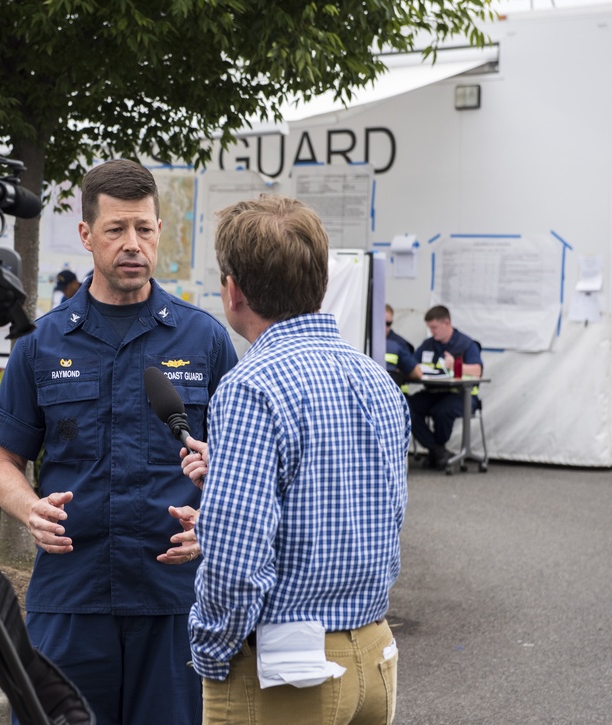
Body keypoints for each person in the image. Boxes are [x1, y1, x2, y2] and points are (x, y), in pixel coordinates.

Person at [0, 158, 238, 724]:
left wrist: (216, 517)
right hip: (72, 595)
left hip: (173, 597)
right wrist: (30, 509)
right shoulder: (41, 344)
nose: (132, 244)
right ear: (86, 236)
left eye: (144, 229)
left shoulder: (205, 339)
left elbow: (245, 467)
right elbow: (3, 461)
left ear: (159, 233)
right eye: (116, 229)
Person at [180, 194, 409, 724]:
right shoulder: (375, 377)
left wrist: (210, 649)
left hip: (286, 671)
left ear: (233, 291)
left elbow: (237, 562)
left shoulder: (250, 387)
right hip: (375, 654)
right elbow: (373, 508)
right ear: (319, 281)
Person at [408, 305, 483, 469]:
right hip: (433, 392)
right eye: (429, 327)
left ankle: (436, 451)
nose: (431, 331)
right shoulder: (428, 344)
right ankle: (437, 450)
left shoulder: (466, 344)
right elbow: (412, 364)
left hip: (461, 395)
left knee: (442, 411)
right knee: (405, 407)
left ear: (446, 323)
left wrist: (457, 366)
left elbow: (477, 370)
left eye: (434, 327)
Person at [384, 303, 421, 386]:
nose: (385, 327)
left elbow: (416, 373)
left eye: (388, 323)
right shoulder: (362, 339)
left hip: (396, 392)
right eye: (381, 322)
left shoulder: (399, 344)